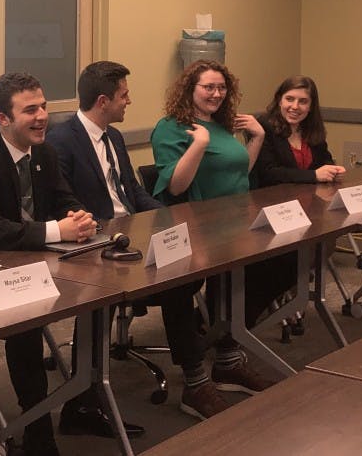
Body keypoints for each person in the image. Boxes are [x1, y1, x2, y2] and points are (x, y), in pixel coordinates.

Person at [47, 61, 233, 421]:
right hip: (94, 247)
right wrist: (111, 234)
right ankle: (90, 399)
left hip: (131, 237)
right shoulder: (61, 142)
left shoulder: (114, 137)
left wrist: (168, 219)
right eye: (124, 96)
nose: (128, 102)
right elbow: (64, 204)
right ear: (103, 101)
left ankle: (203, 373)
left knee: (183, 267)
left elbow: (132, 191)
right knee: (172, 282)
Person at [0, 71, 98, 456]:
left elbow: (64, 199)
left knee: (93, 296)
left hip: (26, 262)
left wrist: (80, 218)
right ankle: (36, 429)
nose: (43, 116)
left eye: (43, 106)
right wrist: (58, 231)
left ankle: (84, 398)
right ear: (3, 120)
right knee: (25, 323)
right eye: (31, 110)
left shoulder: (44, 152)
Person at [149, 59, 278, 394]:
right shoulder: (171, 127)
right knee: (179, 289)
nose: (216, 93)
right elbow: (176, 186)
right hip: (192, 229)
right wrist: (199, 144)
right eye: (208, 87)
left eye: (222, 87)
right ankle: (197, 376)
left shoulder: (222, 125)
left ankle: (228, 355)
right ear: (189, 89)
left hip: (233, 223)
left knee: (274, 265)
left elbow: (237, 173)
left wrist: (257, 139)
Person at [253, 75, 346, 186]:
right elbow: (268, 173)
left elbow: (325, 160)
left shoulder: (312, 127)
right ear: (279, 101)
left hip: (310, 197)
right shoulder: (264, 125)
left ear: (311, 106)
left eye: (303, 101)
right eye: (289, 99)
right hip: (274, 198)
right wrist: (314, 175)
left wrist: (334, 171)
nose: (295, 106)